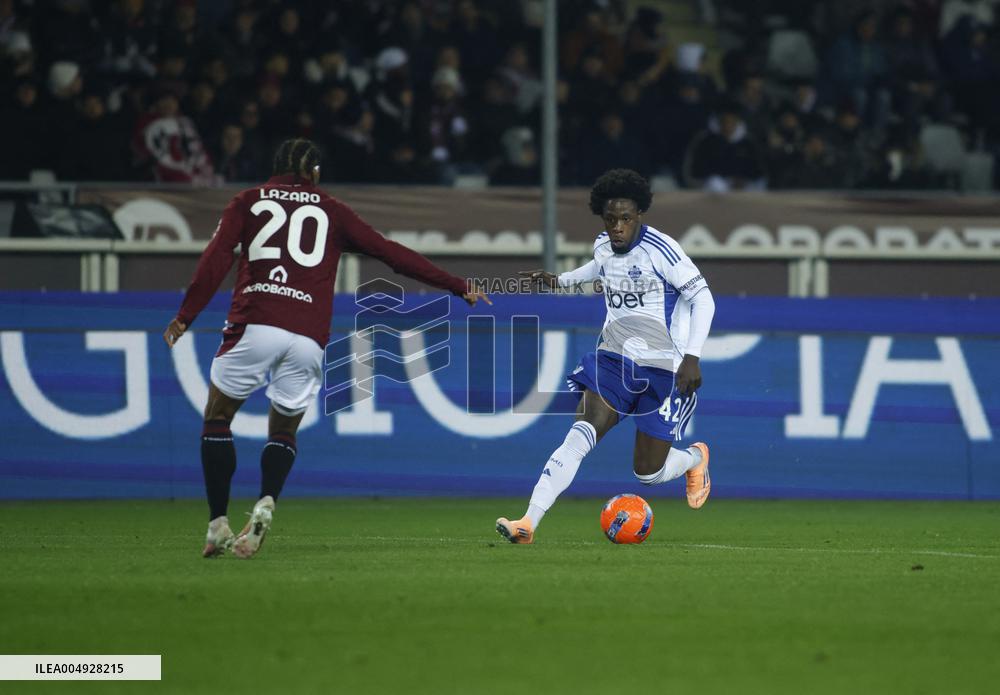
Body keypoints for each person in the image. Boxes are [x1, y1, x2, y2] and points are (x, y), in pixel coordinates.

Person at [163, 138, 489, 558]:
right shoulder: (332, 211)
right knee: (283, 431)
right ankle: (266, 501)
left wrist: (186, 315)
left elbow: (214, 261)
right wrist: (457, 285)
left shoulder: (246, 202)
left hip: (255, 322)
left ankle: (217, 523)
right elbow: (392, 254)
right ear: (314, 173)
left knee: (217, 418)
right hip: (307, 337)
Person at [496, 169, 715, 544]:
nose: (617, 227)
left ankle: (695, 459)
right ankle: (527, 523)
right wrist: (559, 280)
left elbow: (703, 298)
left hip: (664, 367)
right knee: (580, 433)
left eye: (626, 219)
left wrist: (692, 357)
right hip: (613, 360)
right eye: (610, 219)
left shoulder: (662, 251)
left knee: (648, 473)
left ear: (639, 215)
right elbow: (598, 268)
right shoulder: (602, 244)